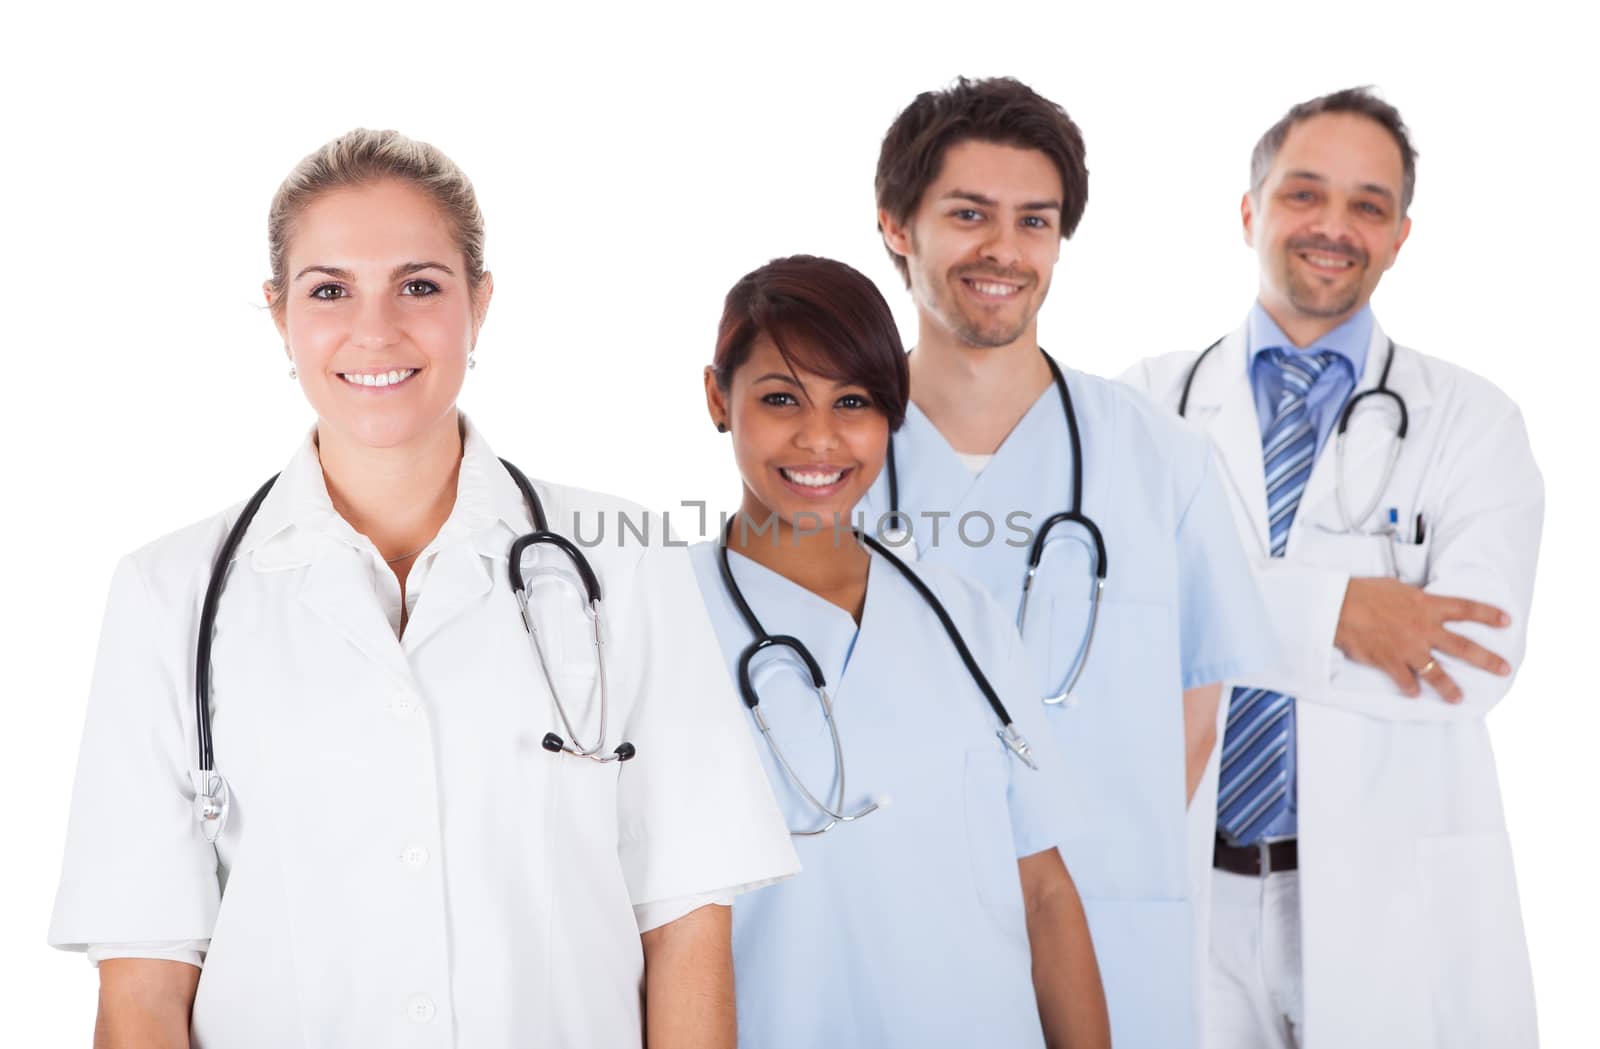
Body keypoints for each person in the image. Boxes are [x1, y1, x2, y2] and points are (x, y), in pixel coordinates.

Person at [48, 129, 798, 1049]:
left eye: (420, 285)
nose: (376, 329)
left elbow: (685, 925)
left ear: (479, 304)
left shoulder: (626, 563)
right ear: (279, 312)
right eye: (330, 290)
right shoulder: (168, 596)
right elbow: (143, 988)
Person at [856, 77, 1275, 1049]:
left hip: (1111, 932)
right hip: (888, 938)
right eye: (967, 214)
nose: (1003, 249)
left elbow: (1195, 702)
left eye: (1032, 221)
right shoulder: (824, 462)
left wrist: (1093, 848)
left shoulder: (1157, 456)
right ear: (895, 226)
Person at [1119, 88, 1543, 1048]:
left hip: (1386, 891)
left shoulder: (1473, 423)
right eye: (1305, 194)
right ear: (1250, 211)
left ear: (1399, 236)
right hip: (1192, 889)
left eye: (1368, 205)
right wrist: (1341, 614)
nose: (1334, 227)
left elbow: (1469, 658)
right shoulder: (1146, 404)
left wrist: (1204, 611)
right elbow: (1105, 626)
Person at [691, 254, 1110, 1049]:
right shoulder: (664, 616)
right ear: (719, 397)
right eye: (781, 398)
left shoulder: (964, 615)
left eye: (853, 401)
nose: (820, 438)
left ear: (892, 409)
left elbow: (1045, 891)